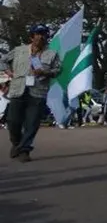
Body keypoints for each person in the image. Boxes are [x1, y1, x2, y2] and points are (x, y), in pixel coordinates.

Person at [1, 25, 62, 162]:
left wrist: (45, 72)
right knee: (12, 120)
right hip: (18, 89)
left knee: (32, 123)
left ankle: (25, 150)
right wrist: (9, 72)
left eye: (44, 34)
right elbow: (3, 60)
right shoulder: (19, 50)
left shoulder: (52, 54)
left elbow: (58, 70)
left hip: (38, 92)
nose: (41, 37)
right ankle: (17, 143)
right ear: (31, 36)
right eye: (38, 34)